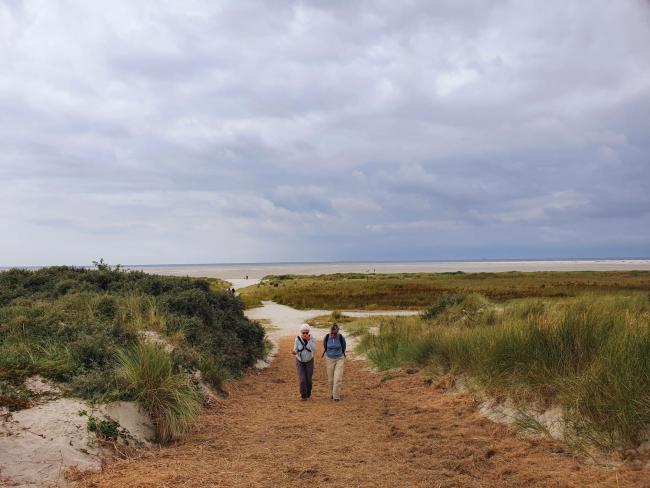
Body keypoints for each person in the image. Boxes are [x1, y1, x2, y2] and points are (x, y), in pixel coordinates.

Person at [322, 323, 346, 401]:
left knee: (337, 378)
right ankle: (332, 394)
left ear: (337, 332)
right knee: (330, 379)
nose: (333, 335)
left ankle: (336, 396)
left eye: (335, 333)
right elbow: (325, 346)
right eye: (331, 333)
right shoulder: (326, 337)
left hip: (339, 358)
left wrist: (340, 354)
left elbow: (344, 347)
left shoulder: (341, 337)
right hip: (329, 359)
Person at [292, 323, 316, 400]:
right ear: (300, 332)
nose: (305, 334)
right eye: (303, 333)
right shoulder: (297, 339)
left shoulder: (312, 338)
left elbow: (314, 350)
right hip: (300, 360)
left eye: (307, 332)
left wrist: (309, 341)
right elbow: (295, 349)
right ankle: (303, 395)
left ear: (309, 332)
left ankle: (308, 394)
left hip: (309, 360)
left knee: (308, 379)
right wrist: (294, 352)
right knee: (302, 379)